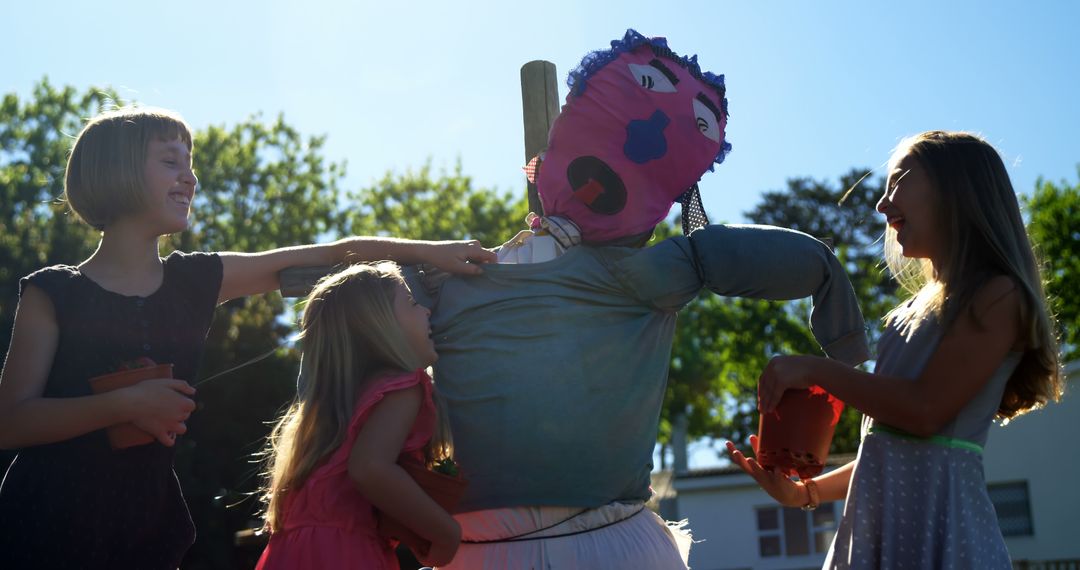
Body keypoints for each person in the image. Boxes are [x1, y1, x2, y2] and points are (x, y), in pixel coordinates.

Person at [399, 30, 872, 569]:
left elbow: (336, 290)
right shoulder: (638, 275)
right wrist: (844, 352)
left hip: (505, 545)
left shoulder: (448, 281)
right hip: (585, 542)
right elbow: (810, 263)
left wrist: (410, 255)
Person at [0, 106, 494, 570]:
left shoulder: (193, 281)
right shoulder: (53, 292)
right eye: (170, 161)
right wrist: (125, 405)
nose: (190, 177)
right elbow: (11, 422)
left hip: (144, 533)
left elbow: (331, 254)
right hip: (42, 527)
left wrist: (433, 251)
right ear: (116, 172)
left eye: (189, 164)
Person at [728, 130, 1064, 568]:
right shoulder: (910, 310)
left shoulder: (997, 295)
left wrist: (815, 370)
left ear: (956, 189)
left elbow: (923, 412)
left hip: (941, 537)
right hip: (883, 534)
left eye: (898, 180)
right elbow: (887, 450)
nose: (882, 204)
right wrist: (804, 493)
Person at [256, 263, 461, 569]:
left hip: (291, 554)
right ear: (379, 325)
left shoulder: (329, 415)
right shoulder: (403, 386)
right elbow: (369, 468)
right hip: (345, 554)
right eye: (413, 303)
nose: (427, 312)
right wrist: (446, 533)